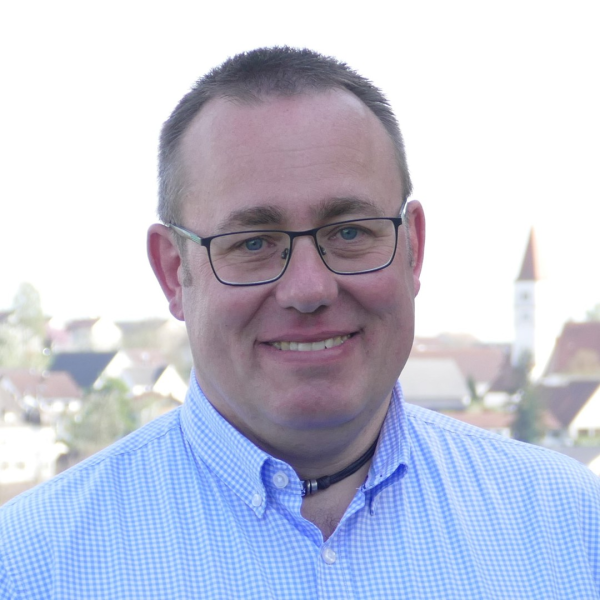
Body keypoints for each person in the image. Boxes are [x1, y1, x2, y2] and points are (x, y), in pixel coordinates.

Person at [1, 47, 599, 599]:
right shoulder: (30, 568)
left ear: (413, 249)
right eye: (253, 242)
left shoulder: (574, 529)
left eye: (350, 232)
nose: (310, 289)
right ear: (173, 272)